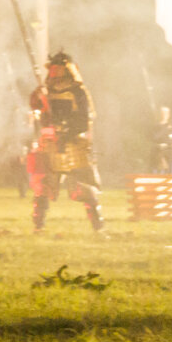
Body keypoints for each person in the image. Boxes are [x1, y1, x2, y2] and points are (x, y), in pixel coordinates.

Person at [27, 51, 105, 234]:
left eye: (59, 69)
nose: (56, 73)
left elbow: (84, 119)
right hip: (50, 144)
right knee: (43, 187)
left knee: (86, 188)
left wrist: (67, 132)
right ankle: (38, 226)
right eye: (53, 69)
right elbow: (36, 109)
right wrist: (38, 97)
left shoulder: (78, 92)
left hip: (74, 144)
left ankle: (98, 227)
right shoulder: (45, 91)